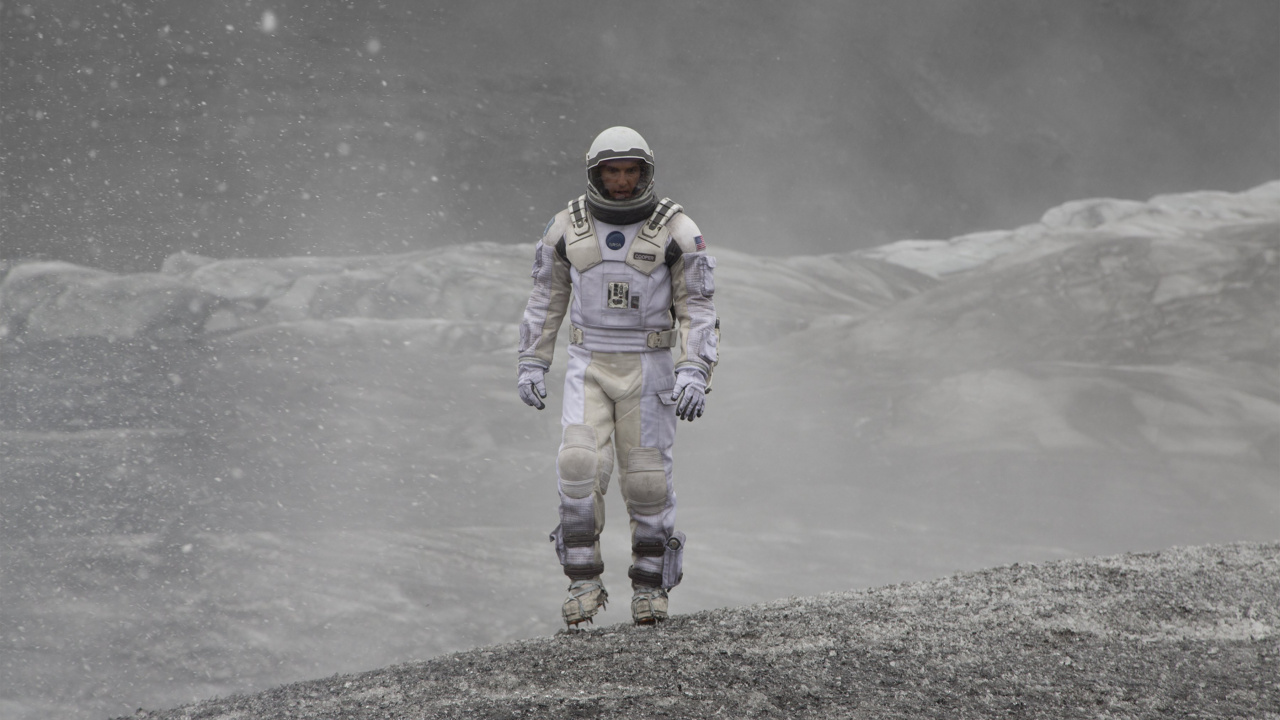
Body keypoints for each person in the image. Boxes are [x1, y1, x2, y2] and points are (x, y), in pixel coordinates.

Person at [516, 126, 719, 626]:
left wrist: (695, 369)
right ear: (596, 173)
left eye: (630, 171)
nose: (622, 182)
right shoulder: (565, 228)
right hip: (589, 365)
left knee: (648, 479)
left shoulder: (678, 231)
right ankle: (582, 582)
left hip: (649, 368)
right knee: (578, 464)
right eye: (613, 171)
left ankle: (651, 588)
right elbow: (546, 300)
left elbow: (698, 306)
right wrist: (531, 360)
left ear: (645, 172)